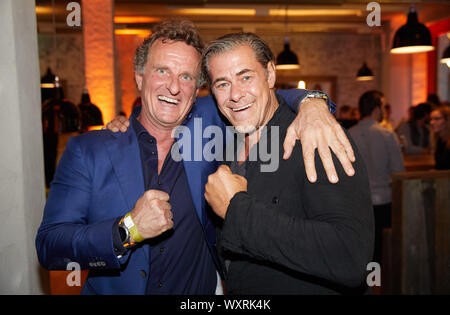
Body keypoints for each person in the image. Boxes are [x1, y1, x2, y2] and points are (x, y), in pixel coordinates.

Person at [36, 20, 355, 295]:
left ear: (198, 88)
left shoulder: (211, 122)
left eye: (187, 76)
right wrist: (128, 229)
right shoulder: (89, 149)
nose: (173, 87)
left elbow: (260, 94)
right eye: (162, 71)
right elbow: (51, 246)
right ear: (139, 77)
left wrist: (313, 103)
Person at [203, 33, 374, 294]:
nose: (235, 94)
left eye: (246, 77)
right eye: (222, 84)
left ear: (270, 74)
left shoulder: (316, 136)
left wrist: (236, 209)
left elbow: (349, 257)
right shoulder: (229, 143)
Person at [349, 91, 404, 265]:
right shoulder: (387, 135)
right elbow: (398, 172)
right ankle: (380, 284)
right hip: (384, 200)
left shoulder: (348, 134)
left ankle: (367, 285)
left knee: (362, 250)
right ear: (376, 108)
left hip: (357, 201)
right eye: (383, 107)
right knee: (382, 251)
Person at [429, 106, 450, 170]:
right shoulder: (439, 140)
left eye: (437, 119)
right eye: (431, 119)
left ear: (447, 121)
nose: (431, 122)